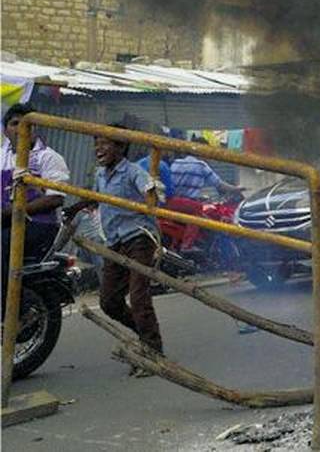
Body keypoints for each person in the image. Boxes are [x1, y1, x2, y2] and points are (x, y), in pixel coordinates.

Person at [94, 125, 165, 371]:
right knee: (109, 302)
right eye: (97, 143)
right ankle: (143, 335)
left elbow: (152, 191)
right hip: (114, 241)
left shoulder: (134, 171)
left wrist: (152, 191)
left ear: (121, 146)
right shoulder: (100, 175)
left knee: (138, 296)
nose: (99, 148)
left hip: (139, 238)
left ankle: (153, 351)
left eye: (105, 143)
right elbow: (97, 199)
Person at [2, 104, 71, 296]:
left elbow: (55, 198)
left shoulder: (48, 157)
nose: (21, 129)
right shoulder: (1, 157)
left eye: (28, 125)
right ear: (6, 130)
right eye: (15, 124)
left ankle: (4, 305)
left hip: (39, 225)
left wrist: (13, 211)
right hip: (7, 222)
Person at [169, 152, 244, 200]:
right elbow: (219, 185)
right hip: (190, 205)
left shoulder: (175, 162)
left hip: (173, 202)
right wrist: (236, 189)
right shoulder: (201, 165)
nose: (208, 158)